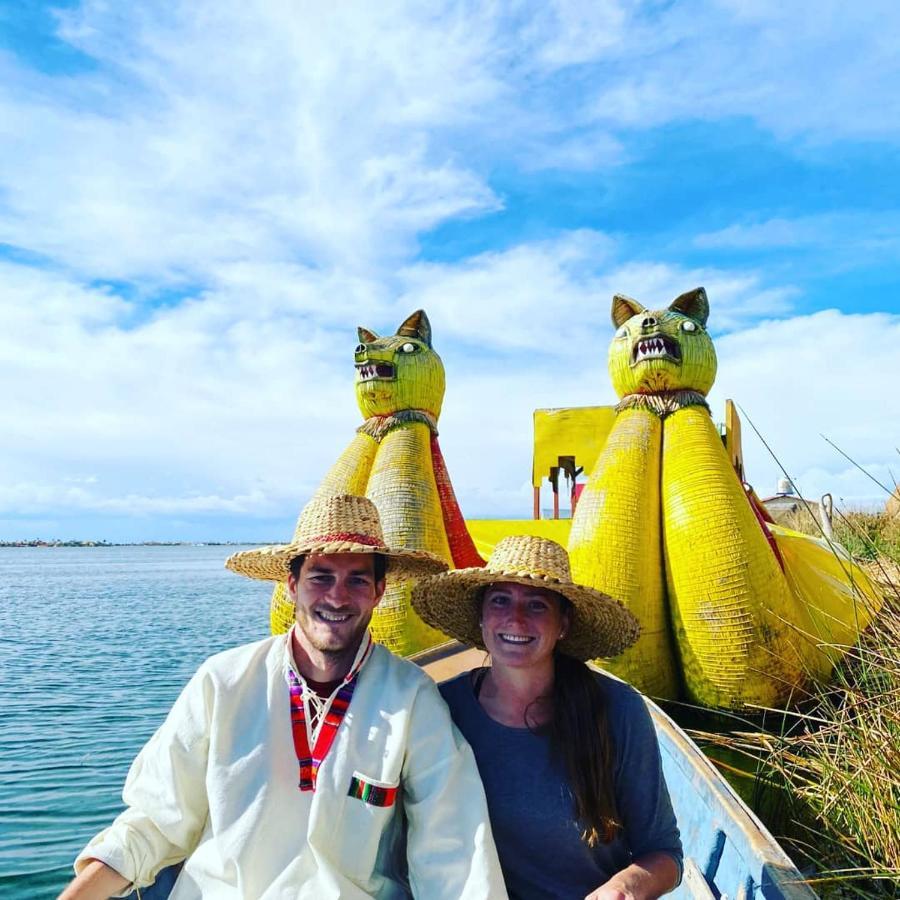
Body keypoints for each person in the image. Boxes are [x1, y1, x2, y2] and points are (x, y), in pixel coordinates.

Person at [60, 494, 508, 900]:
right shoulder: (224, 681)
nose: (337, 596)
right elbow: (156, 820)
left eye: (356, 580)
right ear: (292, 586)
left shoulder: (410, 697)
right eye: (320, 576)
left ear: (378, 592)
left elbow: (453, 848)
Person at [411, 535, 683, 900]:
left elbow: (664, 853)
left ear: (564, 624)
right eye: (500, 600)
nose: (516, 618)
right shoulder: (441, 709)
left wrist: (623, 887)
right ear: (481, 616)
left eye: (537, 605)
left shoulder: (618, 711)